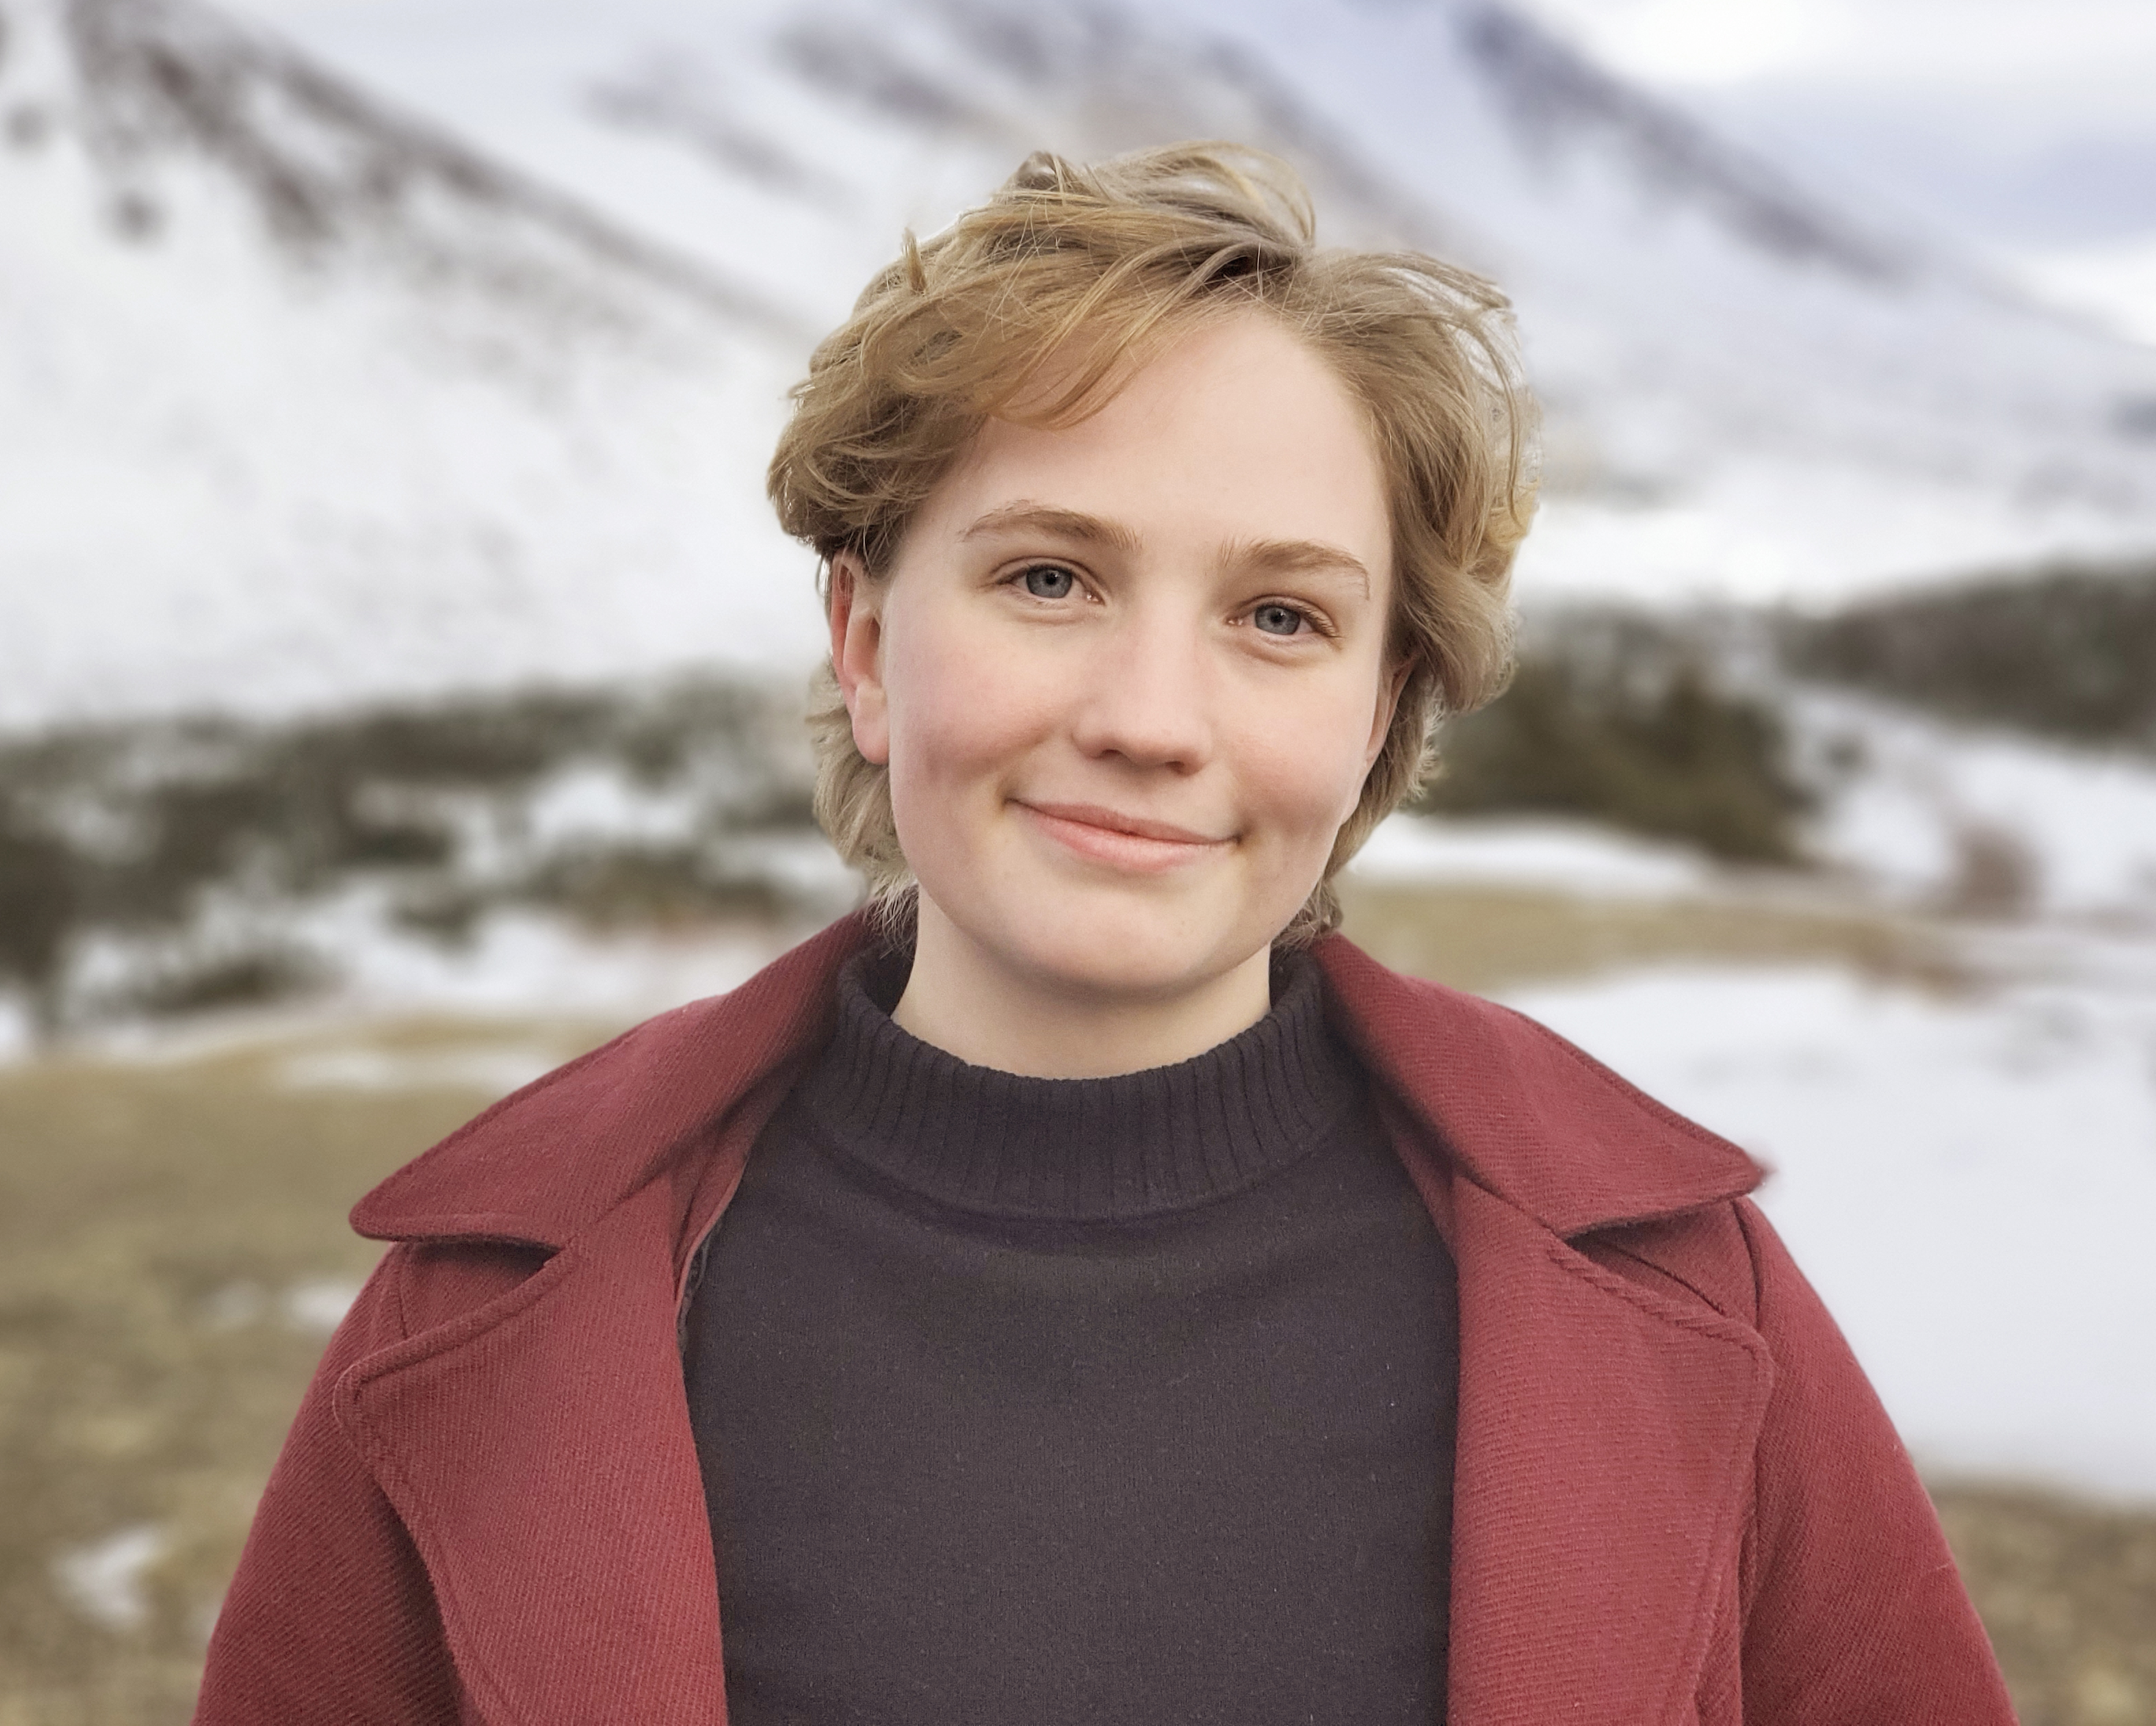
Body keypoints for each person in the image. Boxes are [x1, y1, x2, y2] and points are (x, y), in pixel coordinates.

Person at [193, 144, 2016, 1725]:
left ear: (1385, 708)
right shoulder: (490, 1313)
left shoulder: (1682, 1296)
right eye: (1049, 577)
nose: (1155, 715)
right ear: (860, 641)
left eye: (1283, 619)